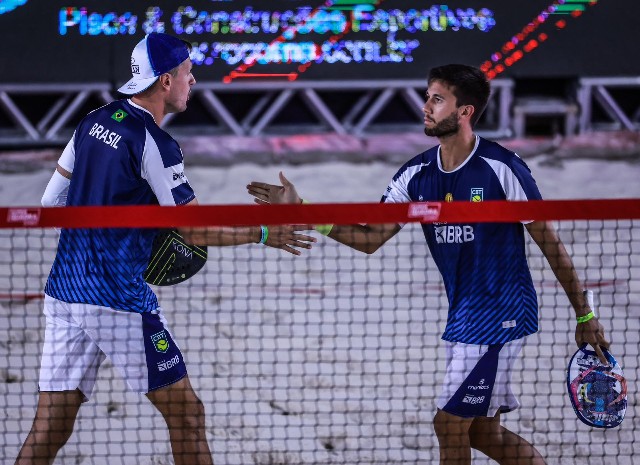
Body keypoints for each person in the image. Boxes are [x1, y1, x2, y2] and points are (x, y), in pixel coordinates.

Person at [247, 64, 610, 465]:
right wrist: (303, 209)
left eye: (437, 99)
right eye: (427, 97)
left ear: (465, 111)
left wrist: (584, 314)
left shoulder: (502, 168)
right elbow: (370, 239)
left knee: (448, 424)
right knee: (482, 433)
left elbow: (550, 243)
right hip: (463, 319)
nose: (426, 107)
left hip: (502, 315)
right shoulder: (416, 174)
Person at [16, 33, 314, 465]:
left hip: (63, 291)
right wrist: (264, 233)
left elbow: (51, 203)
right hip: (116, 300)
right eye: (188, 74)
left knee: (50, 426)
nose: (193, 82)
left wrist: (114, 214)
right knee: (188, 415)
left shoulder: (92, 120)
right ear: (166, 81)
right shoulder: (156, 144)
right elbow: (193, 231)